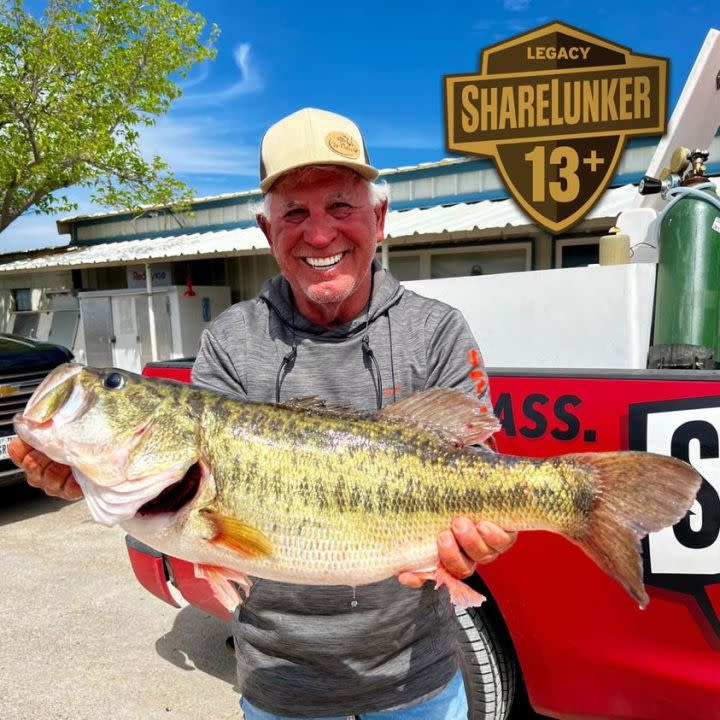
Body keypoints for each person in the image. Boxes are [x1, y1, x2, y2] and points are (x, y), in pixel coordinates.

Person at [10, 108, 516, 719]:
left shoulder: (436, 330)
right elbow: (186, 519)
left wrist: (483, 538)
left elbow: (483, 474)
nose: (320, 234)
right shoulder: (230, 339)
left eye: (340, 207)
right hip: (281, 689)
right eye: (295, 213)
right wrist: (82, 472)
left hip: (420, 684)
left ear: (378, 218)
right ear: (266, 229)